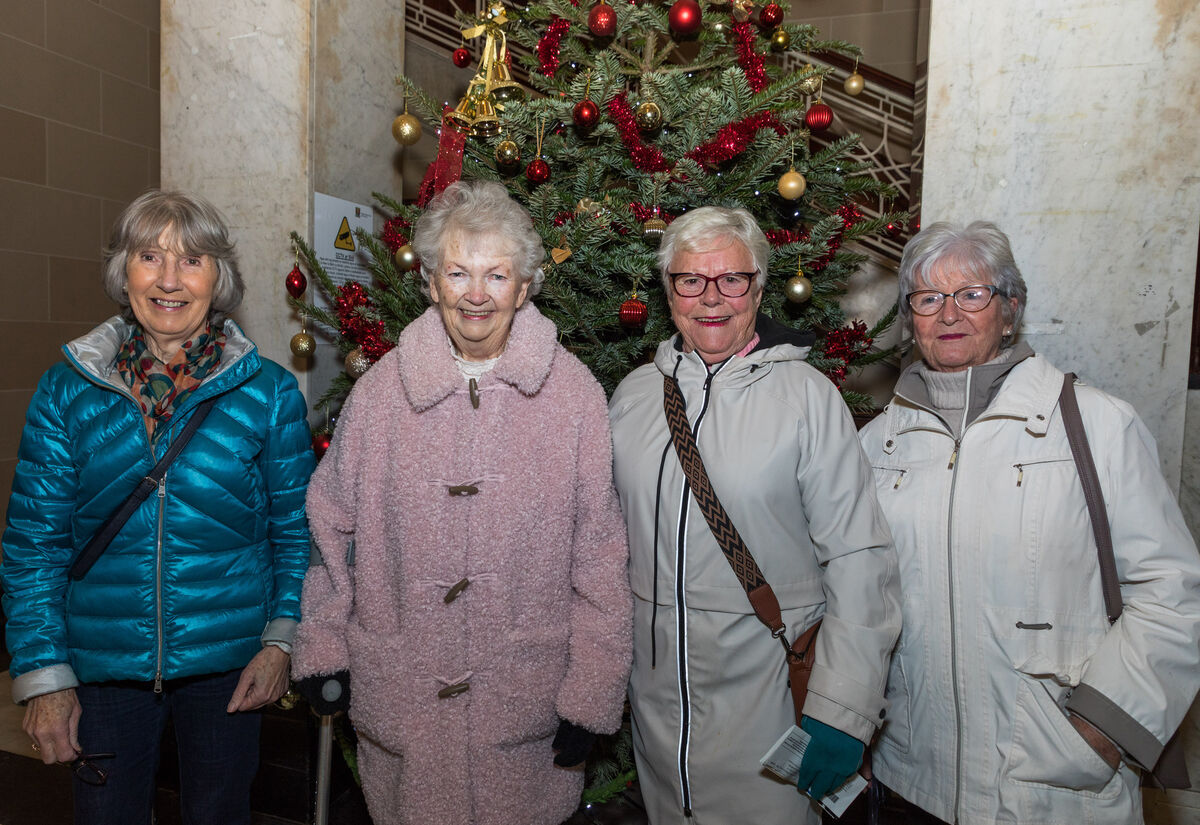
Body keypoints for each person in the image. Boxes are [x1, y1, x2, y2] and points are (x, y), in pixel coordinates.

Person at [290, 180, 633, 825]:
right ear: (431, 284)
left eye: (496, 275)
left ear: (523, 288)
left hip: (525, 706)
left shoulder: (573, 396)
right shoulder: (381, 395)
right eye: (458, 273)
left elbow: (600, 557)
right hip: (405, 701)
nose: (477, 294)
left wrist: (591, 692)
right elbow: (330, 531)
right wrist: (324, 645)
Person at [858, 220, 1200, 824]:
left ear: (1011, 310)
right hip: (908, 780)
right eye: (928, 298)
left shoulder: (1098, 426)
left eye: (972, 294)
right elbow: (858, 599)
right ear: (910, 319)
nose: (949, 313)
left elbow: (1172, 591)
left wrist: (1100, 731)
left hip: (1051, 789)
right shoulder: (876, 445)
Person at [1, 189, 315, 824]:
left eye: (192, 260)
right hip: (103, 665)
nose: (170, 280)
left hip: (231, 664)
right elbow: (35, 545)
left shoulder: (270, 393)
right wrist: (44, 674)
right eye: (150, 257)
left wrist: (282, 643)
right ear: (124, 272)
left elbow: (297, 533)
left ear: (218, 279)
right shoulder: (67, 391)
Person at [607, 205, 901, 824]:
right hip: (657, 717)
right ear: (668, 291)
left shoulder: (807, 399)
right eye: (692, 279)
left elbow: (859, 557)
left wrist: (842, 710)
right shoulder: (633, 396)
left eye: (732, 279)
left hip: (768, 705)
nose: (712, 298)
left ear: (759, 288)